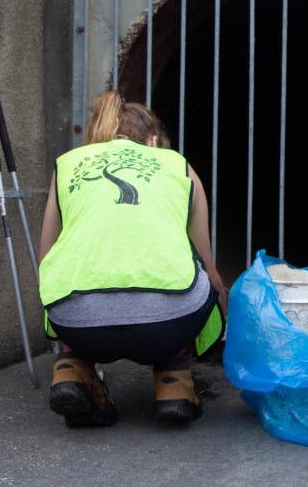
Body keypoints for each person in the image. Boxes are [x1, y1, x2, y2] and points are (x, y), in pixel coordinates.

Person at [38, 91, 228, 427]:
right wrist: (221, 324)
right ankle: (175, 382)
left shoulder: (67, 165)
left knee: (64, 275)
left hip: (79, 324)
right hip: (168, 326)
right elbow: (208, 268)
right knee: (194, 272)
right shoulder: (178, 165)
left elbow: (47, 260)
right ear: (154, 141)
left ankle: (71, 368)